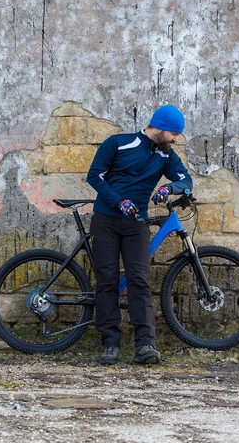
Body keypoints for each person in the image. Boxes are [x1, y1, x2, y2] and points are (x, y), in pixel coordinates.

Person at [86, 104, 193, 365]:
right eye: (174, 134)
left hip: (137, 224)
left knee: (139, 281)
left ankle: (145, 345)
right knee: (107, 280)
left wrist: (169, 188)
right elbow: (94, 176)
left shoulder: (166, 155)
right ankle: (110, 344)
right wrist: (118, 201)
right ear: (160, 128)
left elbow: (186, 181)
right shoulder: (118, 143)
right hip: (106, 221)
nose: (176, 139)